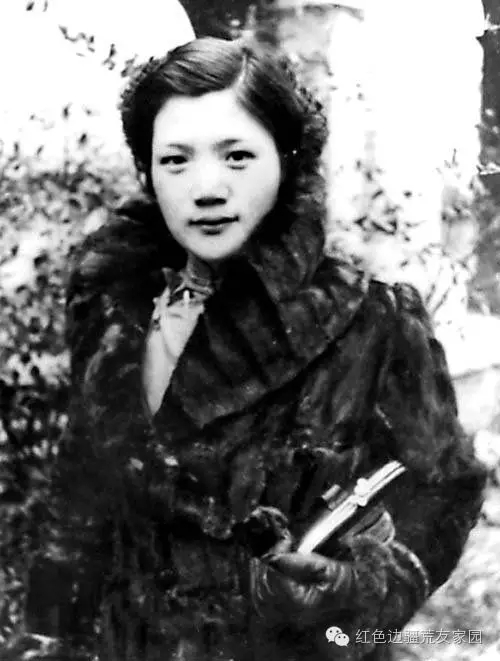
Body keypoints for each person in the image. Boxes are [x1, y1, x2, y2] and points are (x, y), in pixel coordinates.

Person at [52, 36, 486, 661]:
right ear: (147, 172)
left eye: (237, 156)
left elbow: (447, 487)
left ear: (286, 161)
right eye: (175, 160)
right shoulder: (114, 310)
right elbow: (79, 493)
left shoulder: (371, 320)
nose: (206, 187)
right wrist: (47, 636)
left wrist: (359, 586)